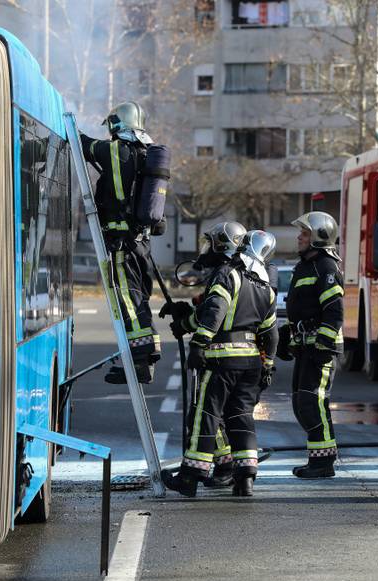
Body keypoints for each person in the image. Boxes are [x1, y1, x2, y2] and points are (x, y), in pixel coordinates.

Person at [162, 222, 278, 497]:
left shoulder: (226, 275)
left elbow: (216, 310)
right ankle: (245, 478)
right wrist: (268, 365)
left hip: (221, 360)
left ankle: (190, 477)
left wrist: (199, 344)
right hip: (251, 363)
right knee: (241, 417)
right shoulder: (264, 285)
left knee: (205, 416)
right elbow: (270, 333)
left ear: (222, 244)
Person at [80, 101, 160, 384]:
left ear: (117, 124)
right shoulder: (145, 153)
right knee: (138, 297)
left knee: (127, 296)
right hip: (140, 243)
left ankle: (139, 360)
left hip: (121, 242)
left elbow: (86, 145)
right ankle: (144, 356)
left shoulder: (117, 150)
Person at [279, 211, 344, 479]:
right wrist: (288, 336)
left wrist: (324, 344)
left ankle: (324, 463)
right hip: (306, 347)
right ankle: (318, 458)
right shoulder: (305, 266)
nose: (299, 238)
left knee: (312, 403)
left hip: (321, 349)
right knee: (300, 404)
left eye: (304, 234)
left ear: (318, 237)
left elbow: (335, 312)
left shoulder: (326, 268)